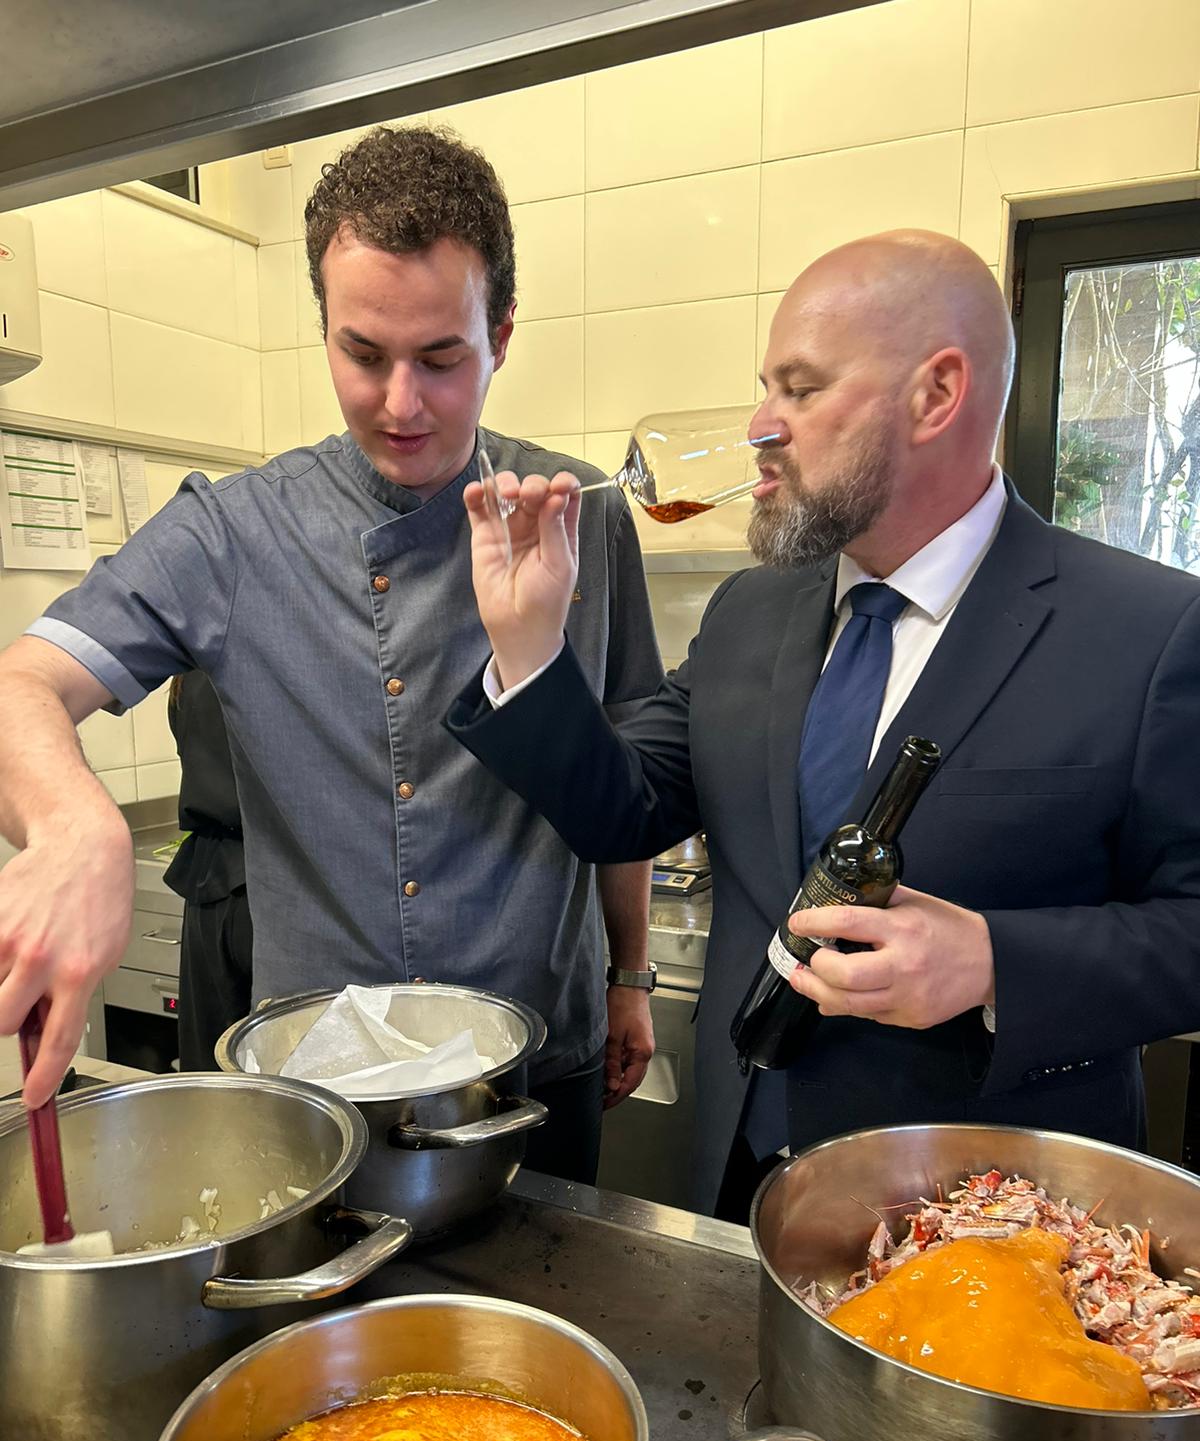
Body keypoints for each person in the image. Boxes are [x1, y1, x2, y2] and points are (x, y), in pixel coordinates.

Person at [446, 228, 1200, 1220]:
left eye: (798, 391)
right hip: (745, 1180)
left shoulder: (1149, 632)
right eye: (766, 387)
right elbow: (619, 811)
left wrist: (993, 963)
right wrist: (527, 650)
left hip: (991, 1224)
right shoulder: (748, 613)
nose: (762, 426)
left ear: (935, 395)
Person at [0, 125, 663, 1185]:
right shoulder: (232, 533)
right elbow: (21, 682)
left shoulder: (575, 513)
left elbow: (624, 781)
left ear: (500, 334)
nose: (402, 404)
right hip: (321, 1084)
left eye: (442, 360)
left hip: (539, 1060)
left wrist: (632, 971)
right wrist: (75, 828)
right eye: (363, 355)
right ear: (324, 329)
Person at [163, 671, 253, 1073]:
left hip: (207, 889)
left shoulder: (187, 679)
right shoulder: (267, 663)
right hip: (268, 884)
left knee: (210, 1069)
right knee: (284, 1073)